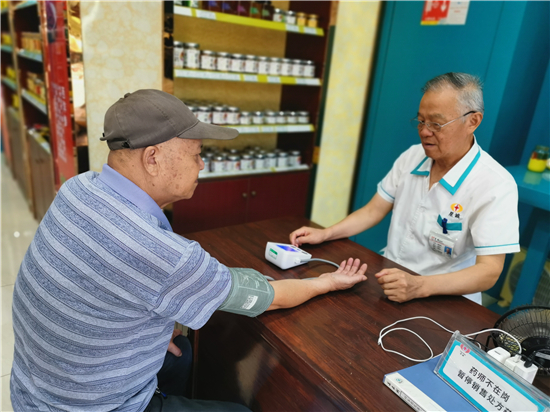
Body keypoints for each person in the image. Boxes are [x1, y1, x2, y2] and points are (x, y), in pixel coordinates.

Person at [10, 90, 368, 412]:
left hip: (36, 387)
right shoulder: (159, 253)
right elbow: (266, 297)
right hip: (90, 406)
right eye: (197, 154)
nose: (201, 165)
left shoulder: (79, 187)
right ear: (152, 159)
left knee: (181, 353)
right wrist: (328, 282)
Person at [290, 72, 519, 305]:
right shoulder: (413, 156)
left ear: (473, 121)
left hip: (447, 299)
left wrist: (420, 286)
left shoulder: (495, 184)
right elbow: (373, 211)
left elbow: (489, 271)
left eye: (436, 124)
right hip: (391, 280)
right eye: (421, 121)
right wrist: (325, 233)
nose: (425, 131)